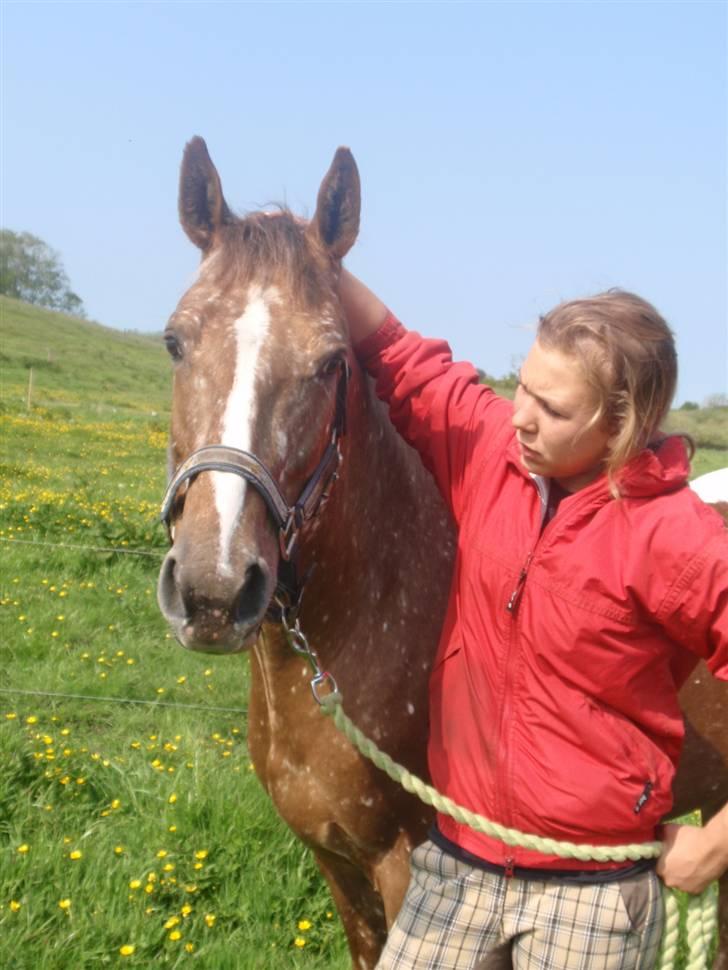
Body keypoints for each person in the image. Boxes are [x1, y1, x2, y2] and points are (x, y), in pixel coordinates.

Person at [338, 270, 728, 970]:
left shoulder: (680, 540)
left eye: (551, 407)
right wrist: (323, 265)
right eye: (522, 386)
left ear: (623, 423)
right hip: (457, 865)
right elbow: (404, 360)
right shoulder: (493, 454)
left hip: (593, 899)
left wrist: (715, 844)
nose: (520, 414)